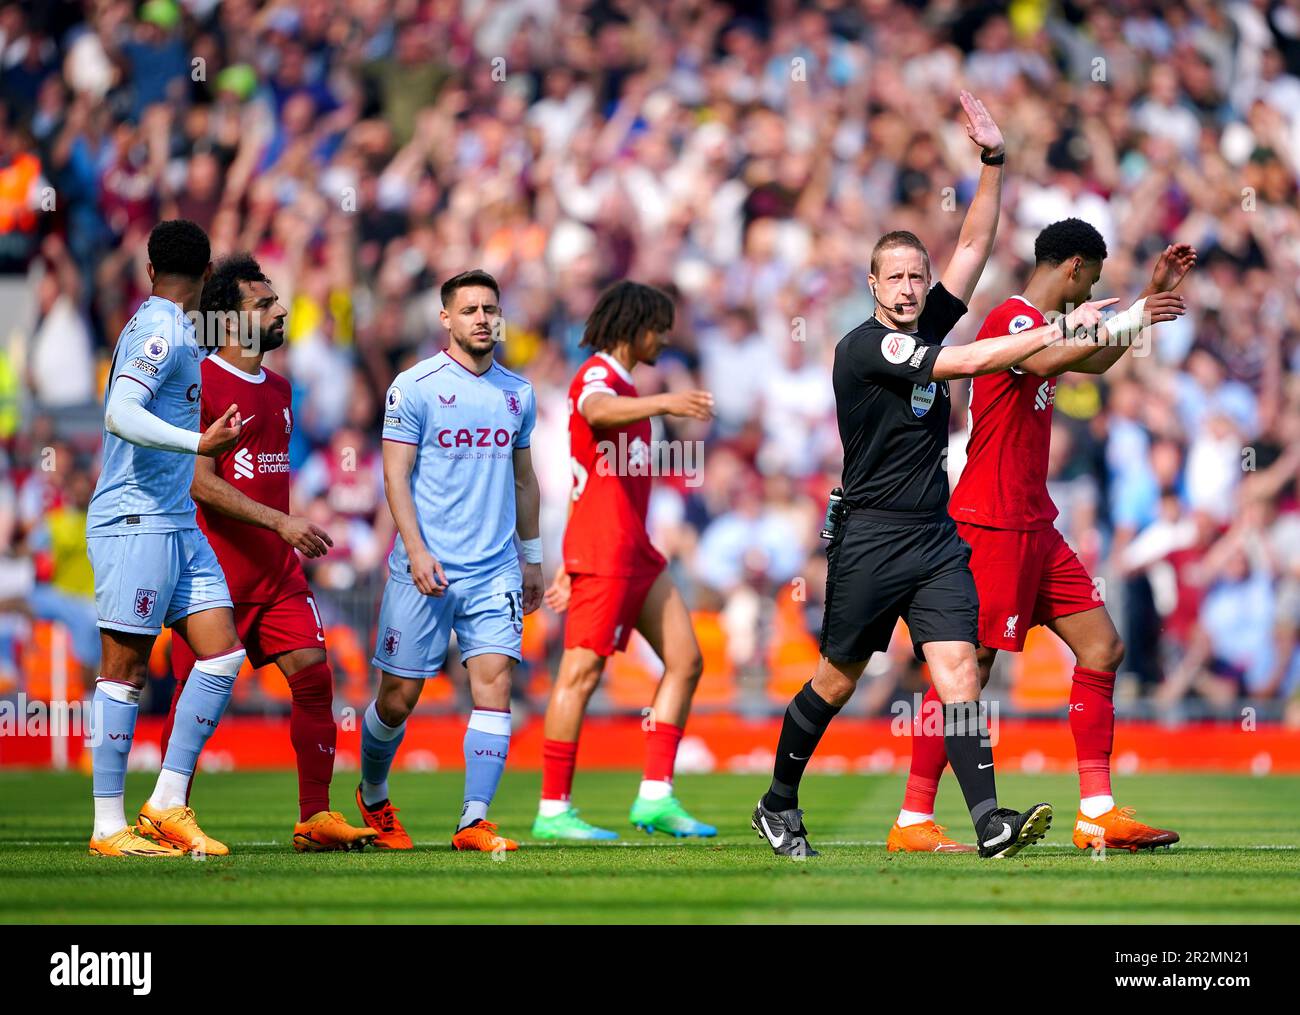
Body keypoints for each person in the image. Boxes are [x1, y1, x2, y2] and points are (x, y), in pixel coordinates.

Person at [750, 92, 1167, 859]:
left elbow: (973, 245)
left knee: (960, 674)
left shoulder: (928, 317)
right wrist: (1078, 324)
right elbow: (974, 360)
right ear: (873, 286)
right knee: (836, 683)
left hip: (936, 536)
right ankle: (778, 800)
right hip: (871, 535)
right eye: (897, 278)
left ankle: (987, 823)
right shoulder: (864, 348)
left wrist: (993, 162)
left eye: (917, 276)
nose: (911, 288)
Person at [890, 219, 1192, 853]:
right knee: (967, 673)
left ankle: (1097, 813)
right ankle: (914, 819)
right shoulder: (1011, 319)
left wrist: (1147, 306)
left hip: (1034, 522)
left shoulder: (1038, 326)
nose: (1087, 298)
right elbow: (1056, 354)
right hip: (989, 524)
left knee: (1103, 647)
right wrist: (1132, 310)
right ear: (1076, 268)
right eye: (1092, 283)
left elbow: (1096, 357)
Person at [159, 252, 376, 852]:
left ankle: (314, 816)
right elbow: (199, 482)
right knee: (191, 701)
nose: (279, 311)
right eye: (264, 304)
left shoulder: (282, 390)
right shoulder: (197, 382)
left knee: (314, 678)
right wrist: (281, 522)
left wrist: (292, 521)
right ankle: (169, 809)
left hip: (278, 575)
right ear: (229, 321)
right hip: (212, 574)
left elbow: (266, 474)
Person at [356, 269, 543, 852]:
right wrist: (414, 549)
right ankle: (372, 791)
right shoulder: (414, 386)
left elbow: (524, 479)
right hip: (425, 568)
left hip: (494, 571)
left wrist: (532, 557)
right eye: (470, 310)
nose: (483, 318)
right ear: (446, 319)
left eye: (490, 308)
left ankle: (473, 820)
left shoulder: (519, 392)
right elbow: (394, 474)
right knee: (398, 698)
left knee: (494, 683)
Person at [533, 280, 717, 840]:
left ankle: (656, 797)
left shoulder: (628, 384)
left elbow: (580, 480)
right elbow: (595, 412)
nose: (664, 336)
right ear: (634, 328)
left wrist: (567, 555)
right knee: (580, 673)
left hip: (633, 547)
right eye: (658, 327)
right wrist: (663, 401)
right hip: (605, 551)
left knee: (686, 661)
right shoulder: (598, 376)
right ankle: (552, 810)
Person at [85, 219, 246, 857]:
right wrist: (198, 443)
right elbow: (119, 413)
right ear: (206, 275)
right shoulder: (158, 329)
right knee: (123, 670)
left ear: (150, 270)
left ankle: (167, 801)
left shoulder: (182, 327)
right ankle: (106, 828)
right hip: (135, 518)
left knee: (221, 653)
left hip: (175, 518)